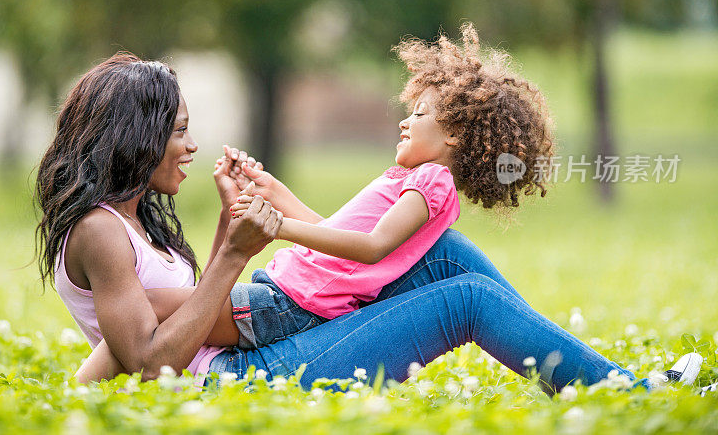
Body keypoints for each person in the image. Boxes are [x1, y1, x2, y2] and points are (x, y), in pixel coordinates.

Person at [40, 48, 700, 394]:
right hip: (240, 375)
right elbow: (146, 361)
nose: (190, 145)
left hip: (256, 337)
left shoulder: (132, 224)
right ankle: (607, 385)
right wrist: (243, 250)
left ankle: (593, 375)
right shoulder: (100, 230)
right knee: (464, 298)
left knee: (447, 254)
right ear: (138, 135)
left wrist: (242, 222)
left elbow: (181, 305)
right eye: (178, 132)